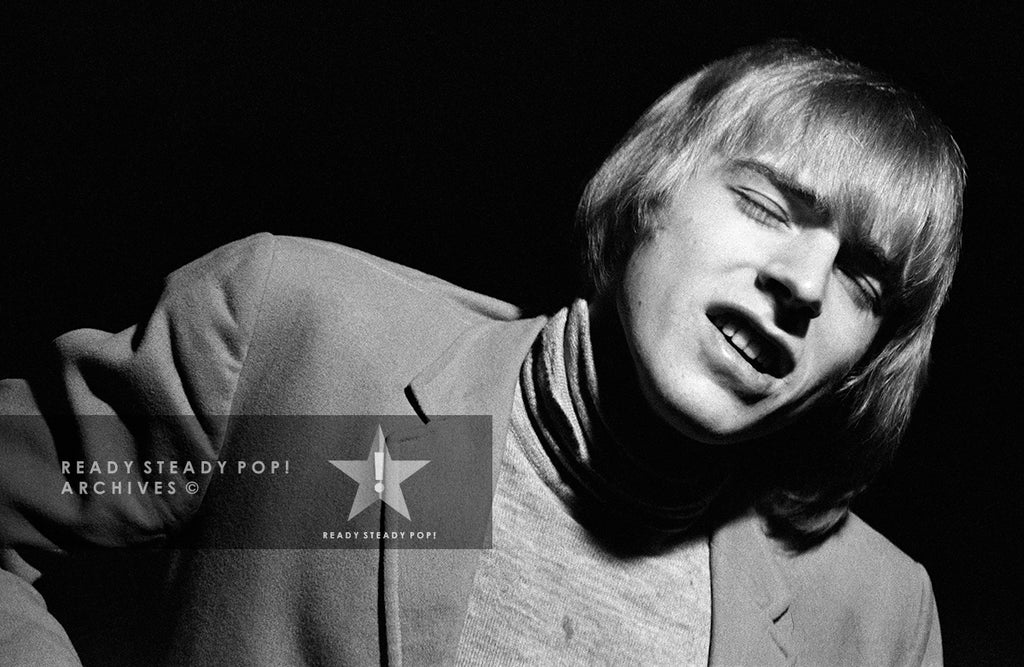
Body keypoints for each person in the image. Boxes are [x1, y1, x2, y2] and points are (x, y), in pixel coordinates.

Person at [0, 40, 963, 665]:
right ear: (649, 195)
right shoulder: (307, 338)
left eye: (863, 280)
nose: (803, 280)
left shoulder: (875, 615)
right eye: (765, 205)